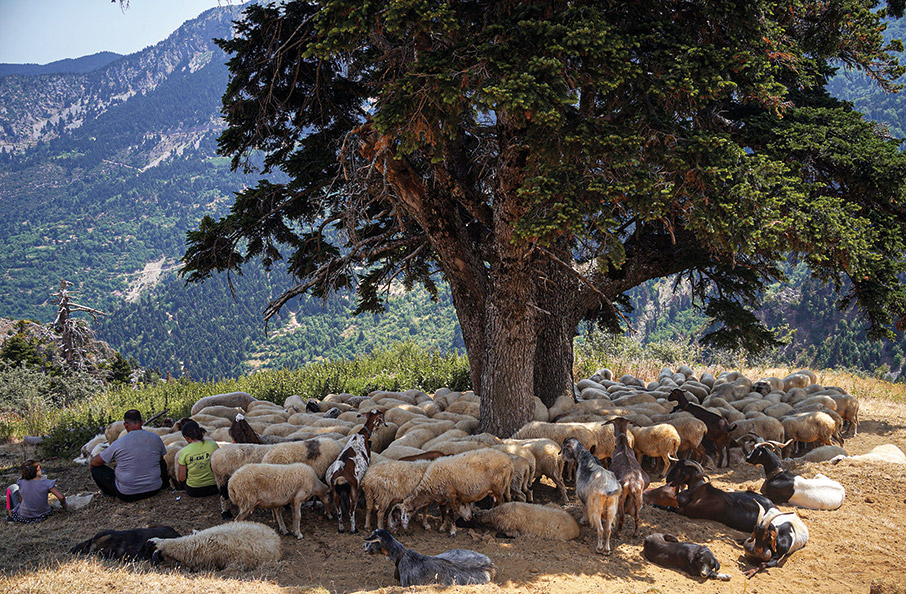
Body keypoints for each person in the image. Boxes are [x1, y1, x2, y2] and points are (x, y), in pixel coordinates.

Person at [90, 409, 167, 502]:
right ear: (142, 422)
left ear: (125, 425)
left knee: (95, 469)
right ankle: (165, 486)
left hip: (127, 494)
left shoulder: (119, 443)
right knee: (162, 462)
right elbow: (161, 459)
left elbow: (95, 462)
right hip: (154, 489)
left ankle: (108, 493)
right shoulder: (156, 438)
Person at [6, 459, 67, 523]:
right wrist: (64, 504)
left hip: (24, 517)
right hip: (44, 515)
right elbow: (61, 497)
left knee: (12, 487)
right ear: (38, 468)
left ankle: (11, 517)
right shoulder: (47, 483)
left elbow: (21, 498)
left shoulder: (21, 482)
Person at [176, 420, 219, 497]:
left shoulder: (184, 451)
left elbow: (182, 478)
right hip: (215, 487)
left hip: (194, 490)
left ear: (187, 437)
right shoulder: (213, 445)